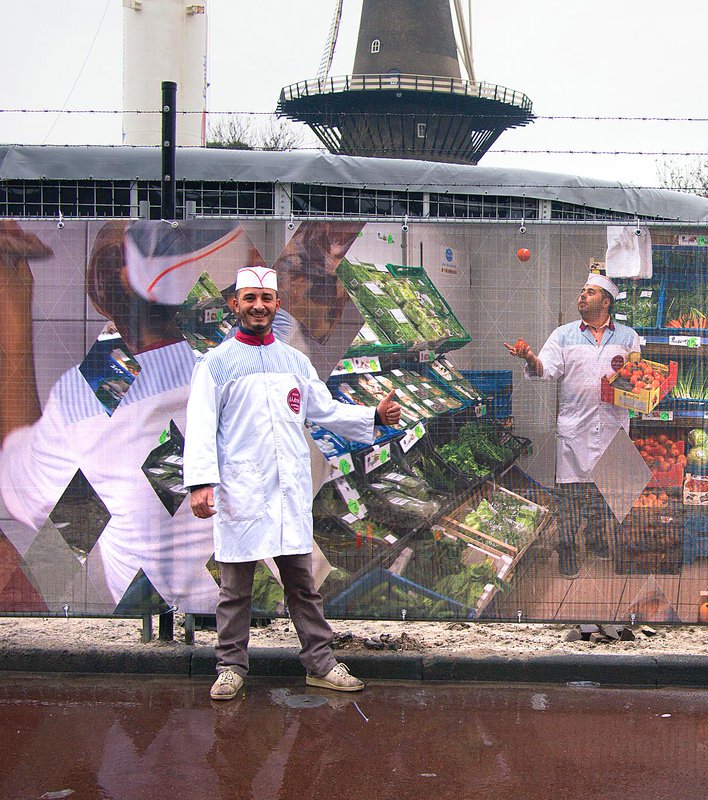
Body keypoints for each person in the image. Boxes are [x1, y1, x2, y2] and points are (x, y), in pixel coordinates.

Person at [0, 219, 251, 613]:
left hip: (166, 618)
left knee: (75, 523)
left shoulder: (92, 393)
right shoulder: (256, 361)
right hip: (250, 611)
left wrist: (13, 302)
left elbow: (20, 479)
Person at [183, 266, 407, 700]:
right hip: (242, 490)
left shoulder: (294, 362)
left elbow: (322, 409)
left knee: (302, 586)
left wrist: (373, 417)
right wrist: (200, 483)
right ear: (235, 305)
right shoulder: (216, 365)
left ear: (277, 306)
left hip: (287, 492)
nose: (258, 307)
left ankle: (321, 664)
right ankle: (231, 667)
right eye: (249, 299)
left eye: (266, 299)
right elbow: (201, 425)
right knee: (235, 589)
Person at [504, 273, 640, 577]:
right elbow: (544, 370)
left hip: (611, 425)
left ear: (606, 302)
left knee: (603, 491)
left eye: (589, 293)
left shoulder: (628, 337)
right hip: (575, 428)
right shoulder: (563, 335)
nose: (582, 296)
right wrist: (528, 358)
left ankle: (595, 539)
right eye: (581, 292)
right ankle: (566, 549)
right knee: (570, 495)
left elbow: (635, 376)